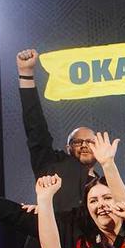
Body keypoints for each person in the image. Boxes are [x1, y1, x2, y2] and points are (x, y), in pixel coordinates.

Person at [16, 48, 97, 211]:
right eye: (77, 142)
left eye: (90, 141)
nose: (84, 145)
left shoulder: (104, 185)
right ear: (68, 148)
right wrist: (26, 74)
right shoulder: (52, 165)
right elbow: (35, 127)